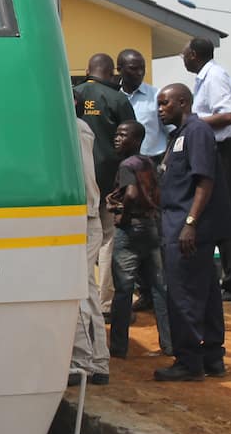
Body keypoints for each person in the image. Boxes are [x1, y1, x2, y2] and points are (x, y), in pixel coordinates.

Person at [154, 83, 231, 381]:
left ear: (183, 102)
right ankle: (213, 359)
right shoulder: (178, 135)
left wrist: (190, 223)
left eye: (165, 103)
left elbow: (205, 180)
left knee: (183, 296)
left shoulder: (197, 132)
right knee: (209, 295)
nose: (160, 109)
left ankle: (189, 362)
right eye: (158, 104)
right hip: (181, 225)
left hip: (187, 230)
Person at [182, 37, 231, 301]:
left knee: (228, 217)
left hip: (228, 148)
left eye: (184, 54)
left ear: (193, 54)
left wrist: (192, 122)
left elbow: (227, 116)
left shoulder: (213, 76)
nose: (182, 58)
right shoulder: (205, 77)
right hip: (221, 149)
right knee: (225, 216)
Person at [74, 54, 136, 315]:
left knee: (80, 239)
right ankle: (105, 303)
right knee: (107, 239)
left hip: (79, 182)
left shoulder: (73, 95)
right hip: (111, 182)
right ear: (112, 74)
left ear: (88, 70)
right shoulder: (119, 99)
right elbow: (133, 134)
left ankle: (79, 298)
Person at [106, 121, 171, 358]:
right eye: (116, 135)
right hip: (151, 227)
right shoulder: (148, 163)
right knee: (158, 288)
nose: (117, 139)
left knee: (123, 289)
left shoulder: (126, 165)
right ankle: (168, 343)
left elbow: (131, 194)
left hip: (131, 229)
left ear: (136, 140)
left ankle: (119, 347)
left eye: (123, 135)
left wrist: (123, 218)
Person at [70, 103, 110, 386]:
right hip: (81, 219)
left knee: (80, 290)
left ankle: (86, 360)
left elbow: (84, 181)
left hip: (82, 220)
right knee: (87, 291)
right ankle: (97, 360)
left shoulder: (74, 128)